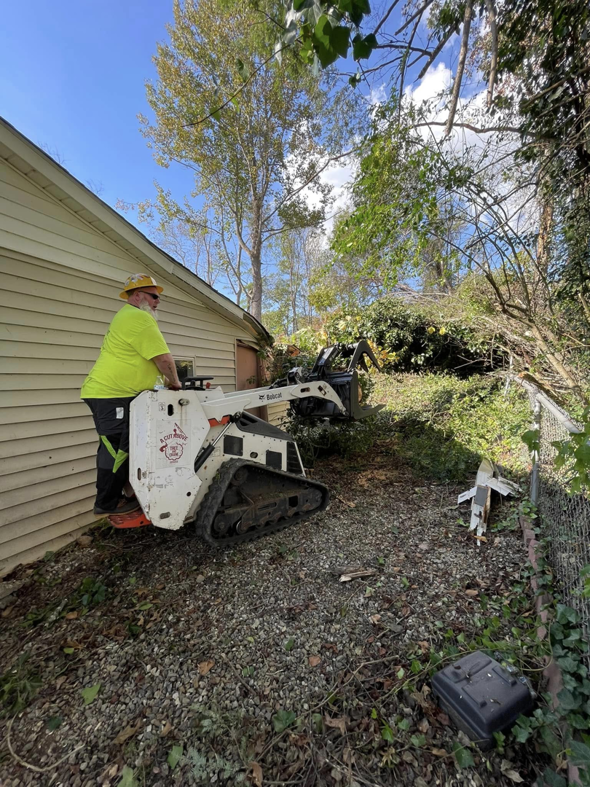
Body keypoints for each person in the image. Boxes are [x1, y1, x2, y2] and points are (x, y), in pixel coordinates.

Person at [81, 274, 182, 516]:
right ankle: (107, 503)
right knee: (117, 450)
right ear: (138, 296)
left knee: (128, 447)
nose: (158, 301)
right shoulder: (139, 318)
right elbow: (163, 359)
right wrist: (176, 383)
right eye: (154, 296)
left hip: (119, 395)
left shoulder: (127, 317)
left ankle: (129, 495)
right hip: (111, 395)